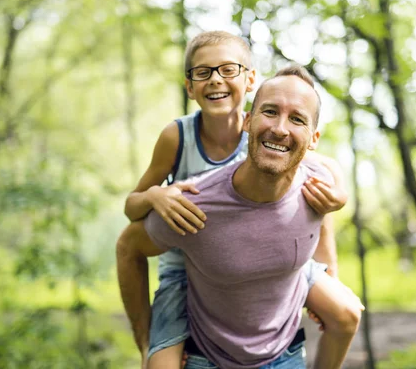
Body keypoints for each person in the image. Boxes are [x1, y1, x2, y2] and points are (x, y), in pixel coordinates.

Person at [116, 31, 358, 368]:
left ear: (249, 79)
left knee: (346, 312)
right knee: (159, 363)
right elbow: (132, 208)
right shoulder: (179, 136)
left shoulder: (272, 135)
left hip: (274, 253)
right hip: (186, 257)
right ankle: (150, 345)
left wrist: (340, 197)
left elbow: (322, 178)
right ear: (189, 86)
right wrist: (156, 195)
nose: (216, 80)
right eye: (203, 72)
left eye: (228, 70)